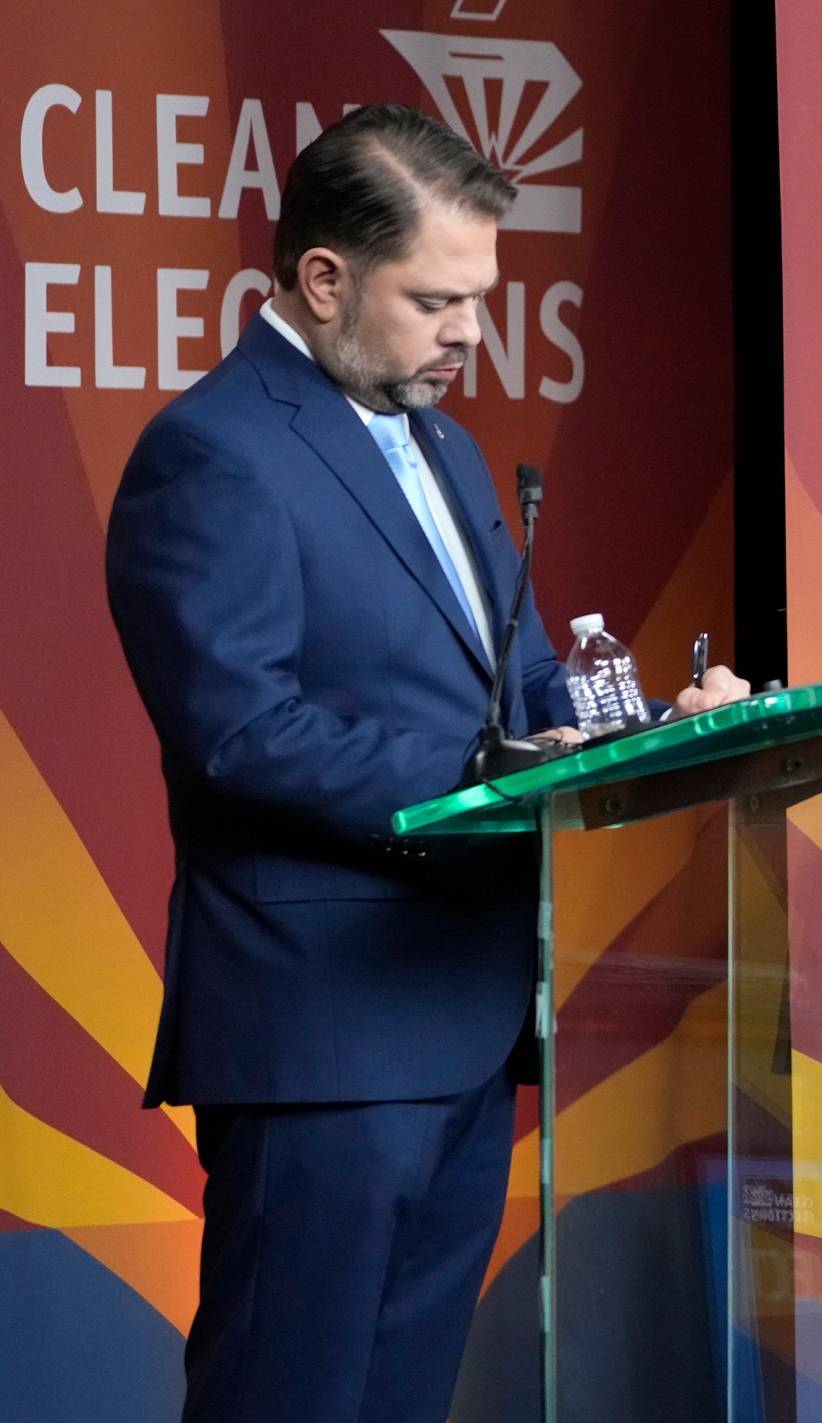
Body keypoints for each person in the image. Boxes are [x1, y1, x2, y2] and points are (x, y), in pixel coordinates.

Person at [103, 104, 748, 1422]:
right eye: (437, 299)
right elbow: (239, 732)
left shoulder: (446, 448)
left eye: (481, 299)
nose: (469, 332)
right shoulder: (212, 452)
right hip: (324, 1035)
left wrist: (665, 724)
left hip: (466, 1020)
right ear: (326, 277)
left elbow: (524, 697)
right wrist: (479, 768)